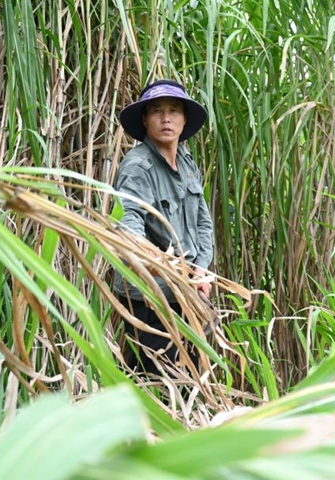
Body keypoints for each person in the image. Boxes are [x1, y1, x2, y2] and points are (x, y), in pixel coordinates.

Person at [113, 79, 214, 373]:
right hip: (151, 292)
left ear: (184, 120)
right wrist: (163, 267)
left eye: (173, 111)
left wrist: (202, 269)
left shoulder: (186, 161)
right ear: (145, 119)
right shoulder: (137, 167)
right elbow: (129, 223)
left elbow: (203, 221)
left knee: (189, 375)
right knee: (158, 380)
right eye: (157, 111)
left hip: (190, 289)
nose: (166, 118)